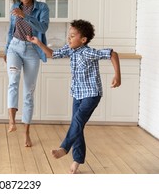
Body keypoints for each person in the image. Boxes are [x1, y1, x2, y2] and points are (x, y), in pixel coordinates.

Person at [27, 19, 121, 174]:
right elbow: (52, 54)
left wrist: (118, 76)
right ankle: (77, 160)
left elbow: (112, 53)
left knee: (76, 122)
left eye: (72, 36)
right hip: (78, 94)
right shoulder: (71, 50)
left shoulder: (89, 52)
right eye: (68, 35)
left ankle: (64, 148)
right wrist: (38, 43)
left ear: (83, 40)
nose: (68, 39)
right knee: (77, 126)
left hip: (91, 94)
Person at [5, 0, 49, 147]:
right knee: (13, 81)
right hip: (14, 48)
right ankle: (11, 121)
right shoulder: (15, 6)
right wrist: (6, 49)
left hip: (32, 50)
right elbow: (11, 30)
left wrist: (25, 15)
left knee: (29, 92)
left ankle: (26, 134)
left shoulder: (42, 7)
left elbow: (43, 27)